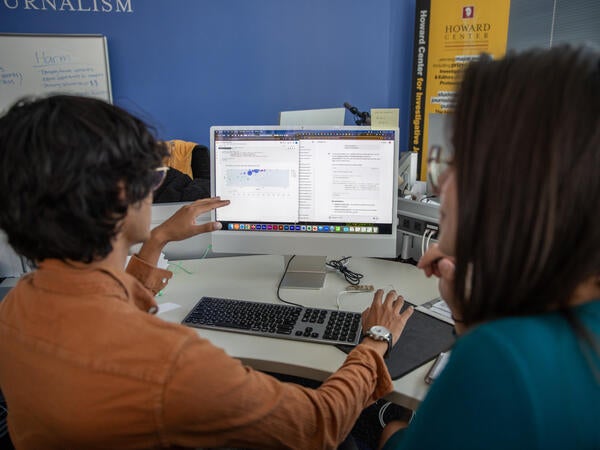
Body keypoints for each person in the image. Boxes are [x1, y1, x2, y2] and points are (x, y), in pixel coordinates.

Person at [0, 95, 414, 450]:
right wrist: (375, 340)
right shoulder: (170, 360)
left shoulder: (17, 304)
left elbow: (101, 301)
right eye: (152, 175)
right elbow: (317, 426)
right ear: (121, 195)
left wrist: (157, 240)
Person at [380, 45, 600, 449]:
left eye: (459, 160)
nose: (441, 182)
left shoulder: (503, 363)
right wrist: (468, 310)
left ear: (517, 179)